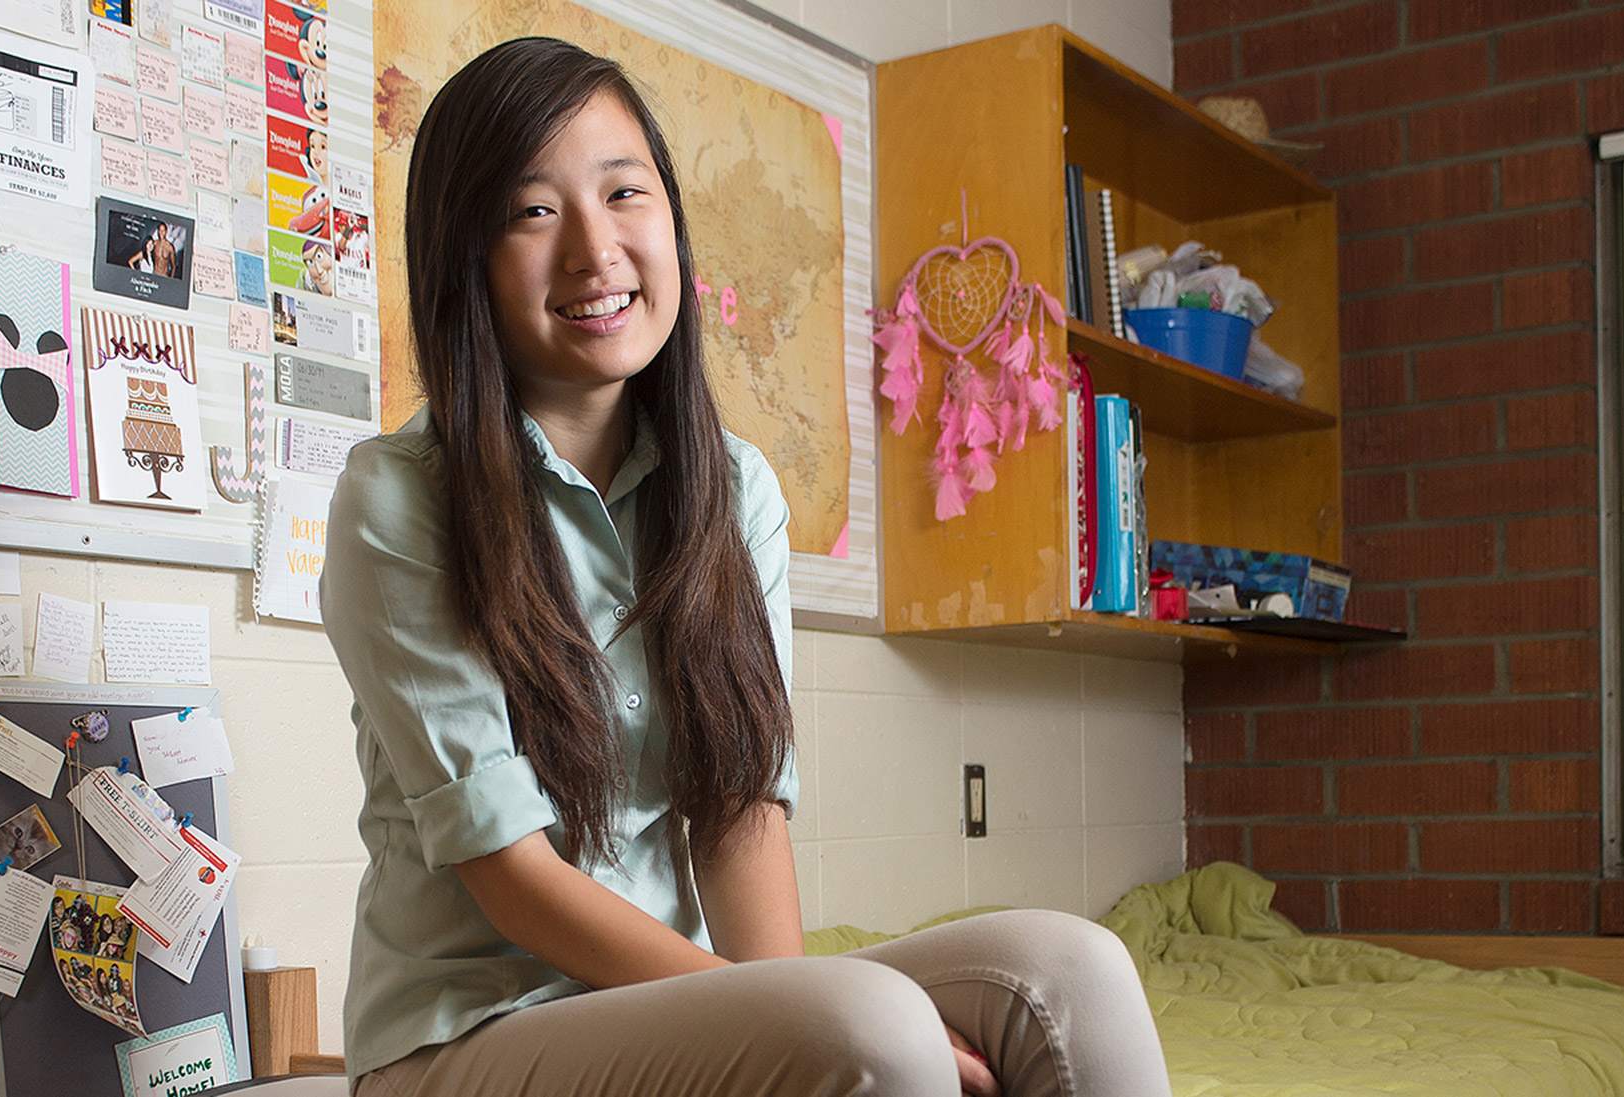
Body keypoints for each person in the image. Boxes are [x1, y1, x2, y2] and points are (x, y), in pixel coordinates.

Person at [320, 36, 1168, 1097]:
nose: (595, 247)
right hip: (460, 1039)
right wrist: (794, 1015)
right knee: (867, 1025)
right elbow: (514, 875)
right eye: (532, 211)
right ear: (465, 257)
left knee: (1071, 968)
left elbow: (737, 806)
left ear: (670, 218)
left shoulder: (731, 484)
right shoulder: (397, 498)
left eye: (624, 192)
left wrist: (786, 1014)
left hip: (663, 1007)